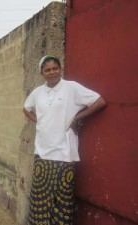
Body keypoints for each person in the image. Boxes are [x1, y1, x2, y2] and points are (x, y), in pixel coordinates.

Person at [23, 55, 106, 225]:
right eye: (47, 70)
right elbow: (26, 108)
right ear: (42, 72)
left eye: (55, 68)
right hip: (42, 154)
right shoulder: (38, 92)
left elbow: (99, 102)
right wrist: (38, 120)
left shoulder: (71, 88)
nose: (52, 72)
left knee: (63, 201)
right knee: (40, 199)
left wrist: (76, 118)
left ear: (60, 69)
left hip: (64, 154)